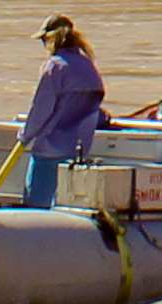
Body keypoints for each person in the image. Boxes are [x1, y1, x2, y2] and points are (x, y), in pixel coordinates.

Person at [13, 16, 106, 207]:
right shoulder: (89, 67)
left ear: (52, 40)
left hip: (49, 151)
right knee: (64, 205)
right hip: (77, 152)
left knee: (37, 208)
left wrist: (25, 135)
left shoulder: (55, 67)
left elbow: (40, 109)